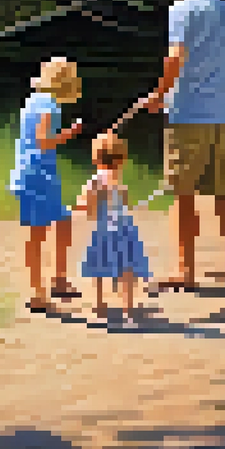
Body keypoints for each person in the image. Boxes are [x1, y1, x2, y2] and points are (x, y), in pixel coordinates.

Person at [142, 0, 225, 292]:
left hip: (188, 114)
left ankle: (185, 271)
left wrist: (161, 93)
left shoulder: (181, 10)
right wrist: (218, 73)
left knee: (184, 194)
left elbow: (175, 57)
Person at [10, 57, 85, 311]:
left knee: (63, 219)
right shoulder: (50, 106)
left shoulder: (33, 100)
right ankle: (37, 293)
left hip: (39, 174)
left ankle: (59, 280)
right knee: (37, 233)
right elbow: (42, 140)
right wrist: (68, 135)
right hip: (36, 175)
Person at [75, 132, 151, 325]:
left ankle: (100, 304)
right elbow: (125, 205)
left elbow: (89, 207)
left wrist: (80, 208)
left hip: (103, 230)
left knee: (100, 266)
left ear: (96, 158)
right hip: (125, 230)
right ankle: (129, 307)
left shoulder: (95, 181)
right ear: (121, 159)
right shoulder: (119, 183)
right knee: (127, 268)